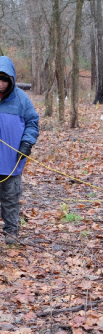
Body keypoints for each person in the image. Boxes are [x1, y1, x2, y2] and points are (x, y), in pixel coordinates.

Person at [0, 56, 39, 244]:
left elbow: (32, 122)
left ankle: (11, 234)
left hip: (11, 162)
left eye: (4, 79)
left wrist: (26, 144)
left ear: (11, 80)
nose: (0, 83)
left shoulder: (21, 99)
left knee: (10, 199)